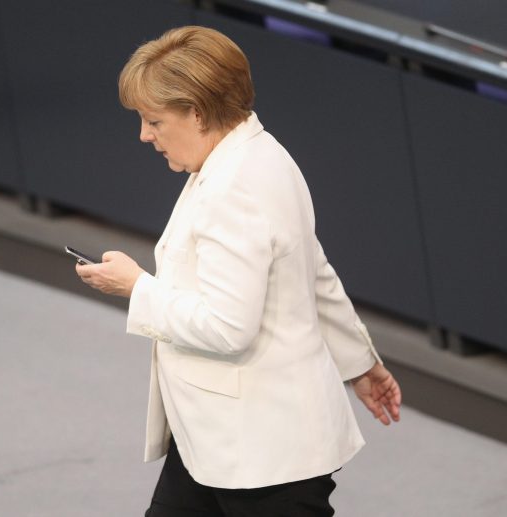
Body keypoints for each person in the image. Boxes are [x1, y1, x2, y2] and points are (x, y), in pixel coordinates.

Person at [75, 25, 401, 516]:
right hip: (215, 436)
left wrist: (137, 287)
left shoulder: (234, 189)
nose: (144, 135)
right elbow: (312, 271)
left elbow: (228, 328)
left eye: (153, 121)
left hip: (261, 453)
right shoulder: (262, 154)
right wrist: (359, 363)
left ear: (198, 113)